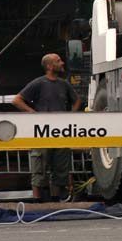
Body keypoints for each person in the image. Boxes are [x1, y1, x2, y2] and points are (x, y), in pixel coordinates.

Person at [11, 53, 82, 201]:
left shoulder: (64, 84)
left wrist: (71, 115)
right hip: (42, 133)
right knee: (39, 165)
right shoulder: (38, 83)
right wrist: (33, 113)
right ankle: (38, 200)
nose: (62, 63)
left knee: (61, 166)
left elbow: (77, 100)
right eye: (58, 61)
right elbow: (17, 100)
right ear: (49, 66)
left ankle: (57, 199)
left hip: (61, 132)